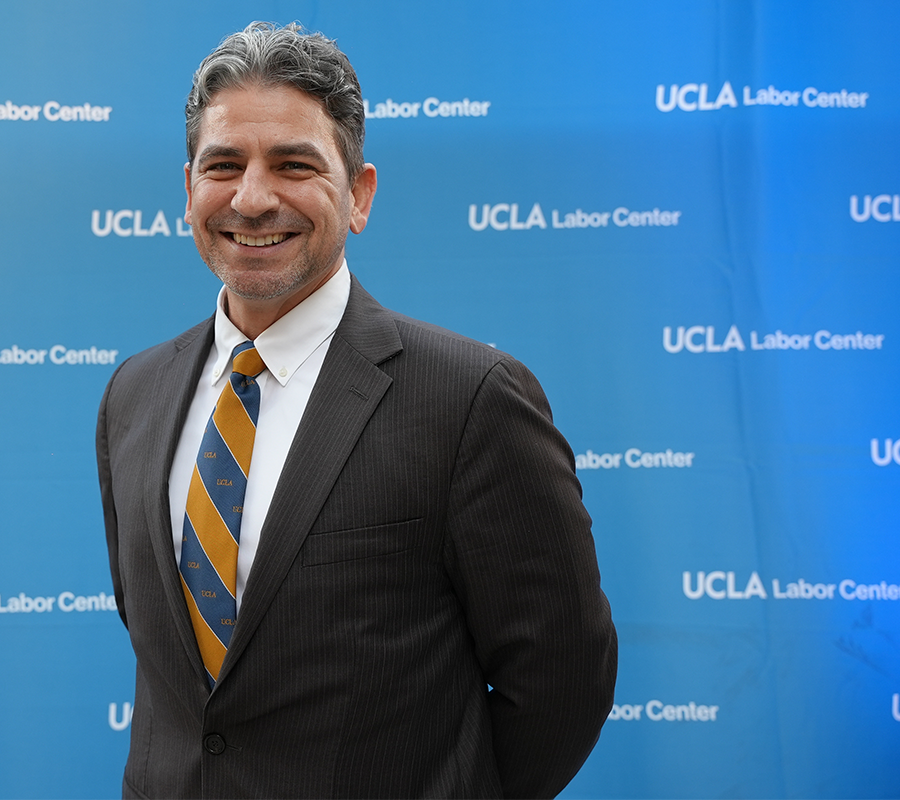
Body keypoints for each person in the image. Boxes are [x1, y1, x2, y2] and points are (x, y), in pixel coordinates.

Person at [96, 21, 616, 800]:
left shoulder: (471, 400)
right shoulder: (132, 396)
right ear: (189, 190)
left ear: (359, 194)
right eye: (224, 165)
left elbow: (563, 684)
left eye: (294, 164)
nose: (252, 196)